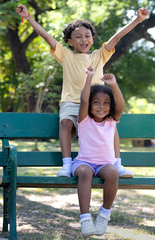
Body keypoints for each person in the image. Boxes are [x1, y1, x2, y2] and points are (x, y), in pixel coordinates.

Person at [16, 5, 149, 177]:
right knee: (65, 123)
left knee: (111, 126)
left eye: (87, 36)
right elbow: (46, 36)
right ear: (70, 42)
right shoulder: (65, 55)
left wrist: (137, 20)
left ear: (92, 39)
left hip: (95, 104)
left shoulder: (99, 55)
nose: (83, 39)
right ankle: (66, 165)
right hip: (71, 102)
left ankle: (117, 163)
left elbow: (117, 37)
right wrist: (28, 17)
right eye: (78, 37)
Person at [72, 66, 124, 237]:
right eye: (96, 102)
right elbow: (84, 100)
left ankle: (104, 214)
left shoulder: (111, 121)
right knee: (85, 173)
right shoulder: (84, 120)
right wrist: (89, 77)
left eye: (106, 103)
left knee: (113, 173)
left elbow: (121, 105)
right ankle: (85, 218)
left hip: (104, 164)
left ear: (111, 106)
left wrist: (114, 84)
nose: (101, 106)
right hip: (83, 162)